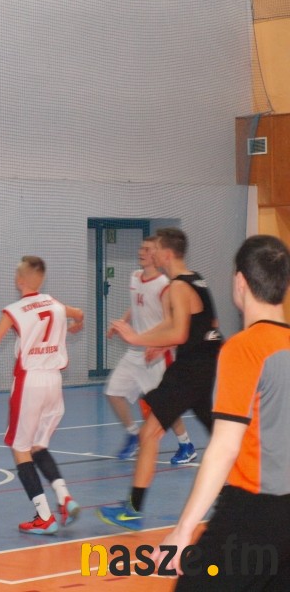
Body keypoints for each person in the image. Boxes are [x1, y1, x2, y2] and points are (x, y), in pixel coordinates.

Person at [154, 235, 290, 590]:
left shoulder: (243, 349)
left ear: (240, 281)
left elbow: (225, 447)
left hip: (252, 513)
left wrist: (183, 530)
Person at [98, 227, 223, 531]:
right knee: (219, 434)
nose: (149, 254)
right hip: (204, 367)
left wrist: (136, 338)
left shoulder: (178, 286)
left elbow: (179, 332)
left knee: (149, 434)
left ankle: (133, 510)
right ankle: (241, 488)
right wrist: (159, 343)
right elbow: (203, 325)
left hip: (189, 371)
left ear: (166, 254)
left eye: (154, 250)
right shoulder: (197, 279)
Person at [0, 256, 84, 534]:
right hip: (54, 381)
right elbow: (79, 313)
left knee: (20, 448)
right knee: (38, 446)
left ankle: (44, 516)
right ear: (42, 279)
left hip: (30, 382)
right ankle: (64, 496)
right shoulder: (55, 304)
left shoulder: (15, 310)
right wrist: (75, 325)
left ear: (19, 280)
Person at [105, 237, 196, 464]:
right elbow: (136, 305)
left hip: (156, 355)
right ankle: (133, 434)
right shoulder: (135, 277)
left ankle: (186, 445)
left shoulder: (165, 285)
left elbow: (169, 320)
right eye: (141, 247)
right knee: (113, 392)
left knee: (163, 404)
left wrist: (158, 344)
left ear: (156, 254)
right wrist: (122, 323)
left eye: (147, 249)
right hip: (135, 351)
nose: (141, 252)